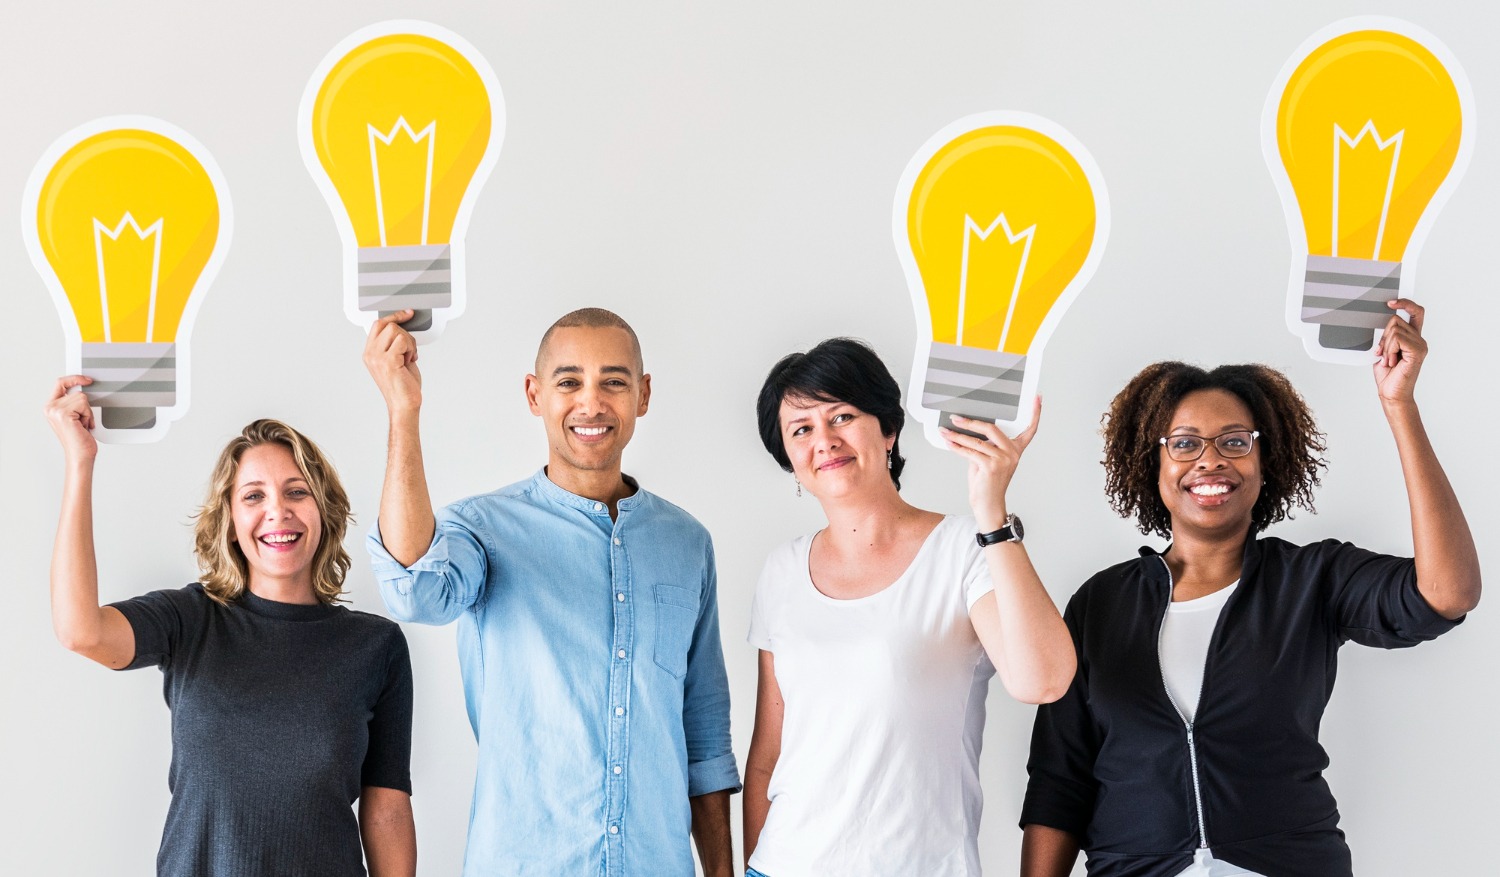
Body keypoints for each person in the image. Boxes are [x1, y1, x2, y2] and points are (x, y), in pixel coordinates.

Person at [1020, 300, 1481, 877]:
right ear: (1152, 464)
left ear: (1266, 461)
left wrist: (1399, 405)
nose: (1210, 461)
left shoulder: (1312, 579)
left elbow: (1447, 593)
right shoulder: (1101, 603)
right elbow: (1060, 777)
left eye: (1235, 442)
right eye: (1184, 443)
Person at [363, 307, 740, 877]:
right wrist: (403, 409)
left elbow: (705, 736)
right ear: (535, 395)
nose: (591, 403)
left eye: (613, 381)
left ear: (643, 394)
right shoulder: (483, 530)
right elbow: (414, 589)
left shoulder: (687, 544)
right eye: (569, 382)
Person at [43, 392, 416, 877]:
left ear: (323, 510)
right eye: (254, 495)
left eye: (297, 491)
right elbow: (80, 631)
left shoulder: (376, 647)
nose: (278, 510)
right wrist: (79, 462)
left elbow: (386, 809)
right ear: (232, 522)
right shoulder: (189, 618)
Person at [742, 338, 1076, 877]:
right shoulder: (781, 570)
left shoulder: (966, 549)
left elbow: (1043, 682)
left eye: (843, 416)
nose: (824, 440)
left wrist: (993, 512)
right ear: (788, 457)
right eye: (801, 429)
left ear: (889, 429)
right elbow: (765, 760)